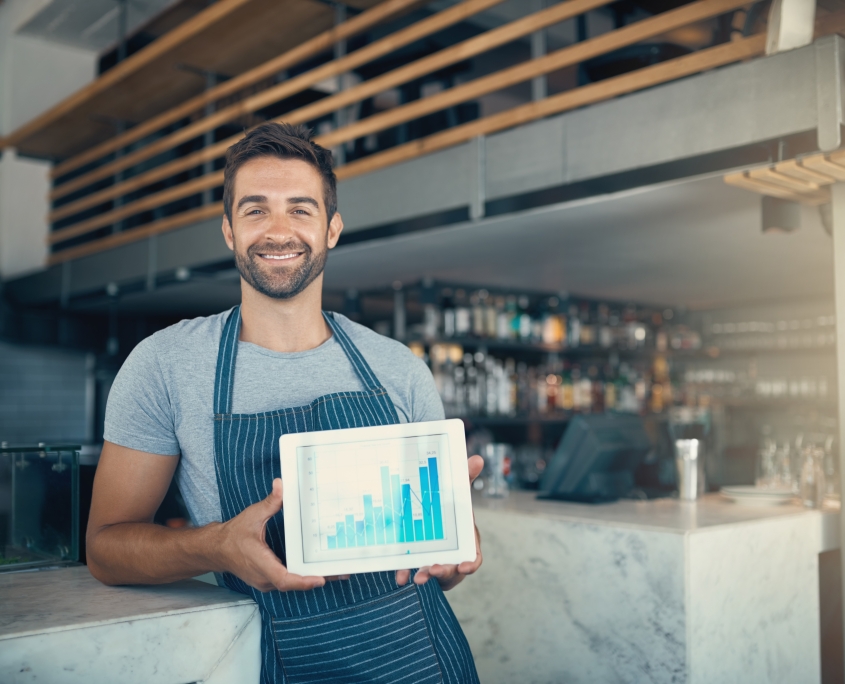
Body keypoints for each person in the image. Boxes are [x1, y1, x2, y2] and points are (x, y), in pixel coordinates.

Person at [86, 121, 483, 683]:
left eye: (300, 209)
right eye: (255, 210)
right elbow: (106, 549)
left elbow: (441, 555)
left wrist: (455, 549)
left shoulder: (396, 366)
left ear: (332, 228)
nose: (279, 230)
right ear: (228, 230)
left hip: (422, 657)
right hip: (286, 660)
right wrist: (218, 546)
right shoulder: (164, 366)